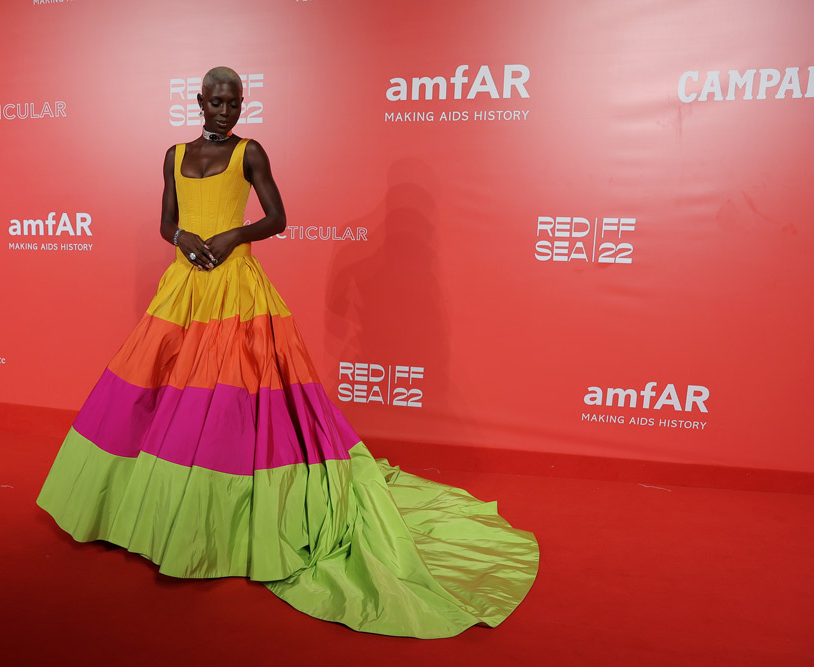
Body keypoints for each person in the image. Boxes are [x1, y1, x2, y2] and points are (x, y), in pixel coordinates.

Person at [37, 66, 538, 639]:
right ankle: (148, 510)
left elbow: (278, 218)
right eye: (217, 102)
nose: (225, 111)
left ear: (242, 105)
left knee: (223, 403)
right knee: (159, 394)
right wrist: (184, 240)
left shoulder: (251, 153)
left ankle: (225, 515)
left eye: (235, 103)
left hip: (238, 289)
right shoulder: (174, 154)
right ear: (199, 101)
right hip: (183, 287)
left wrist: (233, 236)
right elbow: (165, 221)